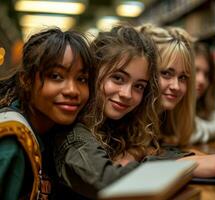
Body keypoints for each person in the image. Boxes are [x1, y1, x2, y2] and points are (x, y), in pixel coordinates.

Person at [52, 25, 193, 199]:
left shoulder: (117, 124)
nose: (127, 94)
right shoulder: (72, 129)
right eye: (118, 78)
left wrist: (140, 152)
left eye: (139, 86)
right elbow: (108, 182)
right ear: (93, 73)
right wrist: (187, 165)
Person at [137, 24, 215, 179]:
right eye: (166, 73)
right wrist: (187, 164)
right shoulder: (128, 117)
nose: (176, 86)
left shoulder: (169, 114)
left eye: (183, 77)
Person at [0, 27, 93, 199]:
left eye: (82, 79)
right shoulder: (12, 140)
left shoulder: (50, 133)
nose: (73, 91)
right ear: (26, 80)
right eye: (56, 76)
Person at [190, 42, 215, 144]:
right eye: (196, 70)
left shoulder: (201, 104)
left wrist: (197, 128)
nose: (202, 80)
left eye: (206, 74)